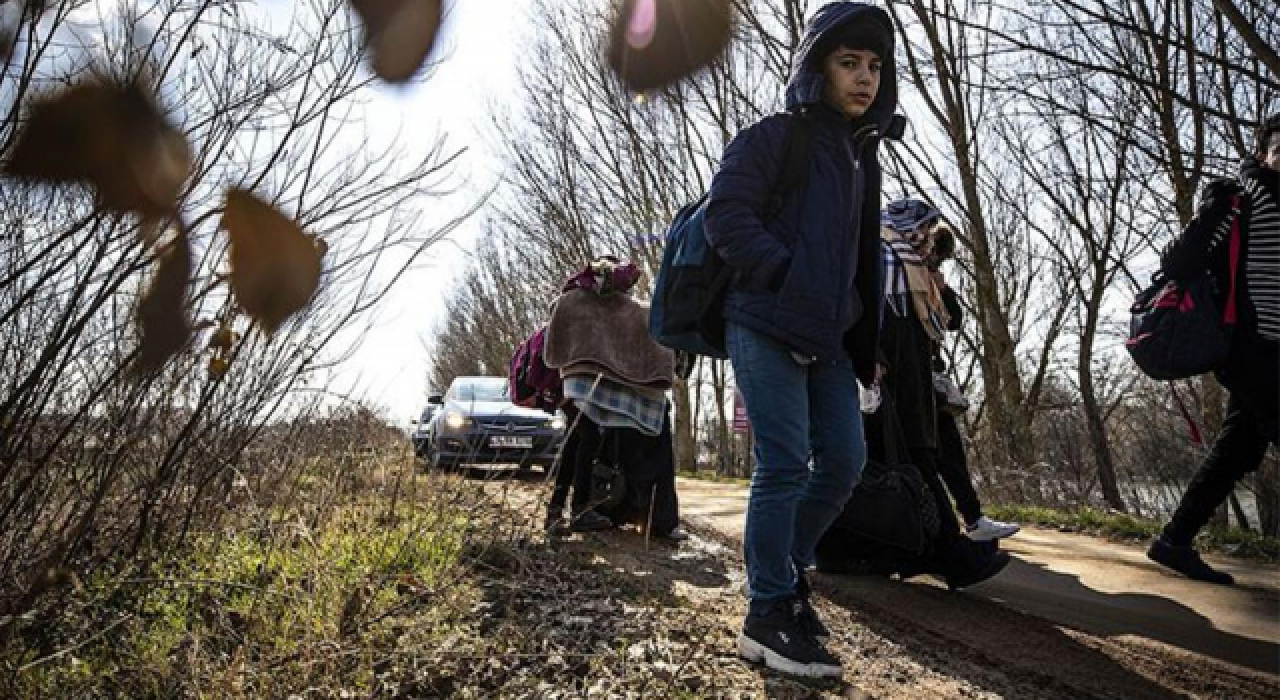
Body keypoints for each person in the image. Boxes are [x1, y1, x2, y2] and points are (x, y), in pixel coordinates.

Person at [703, 2, 896, 678]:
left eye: (874, 66)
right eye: (849, 63)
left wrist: (865, 335)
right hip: (763, 318)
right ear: (818, 67)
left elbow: (862, 260)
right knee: (783, 464)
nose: (864, 77)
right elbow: (725, 215)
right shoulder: (774, 137)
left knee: (843, 462)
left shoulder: (861, 158)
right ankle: (767, 611)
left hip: (831, 338)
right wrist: (784, 276)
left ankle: (783, 571)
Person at [1148, 115, 1280, 585]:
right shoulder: (1240, 201)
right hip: (1248, 344)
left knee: (1239, 449)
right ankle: (1175, 539)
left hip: (1276, 350)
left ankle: (1175, 539)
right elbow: (1180, 262)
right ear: (1265, 149)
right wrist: (1209, 210)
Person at [926, 223, 1019, 542]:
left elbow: (954, 320)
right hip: (906, 379)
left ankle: (971, 519)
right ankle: (959, 523)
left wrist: (941, 286)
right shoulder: (899, 271)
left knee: (948, 452)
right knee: (934, 456)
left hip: (929, 374)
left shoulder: (929, 278)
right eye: (936, 255)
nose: (936, 261)